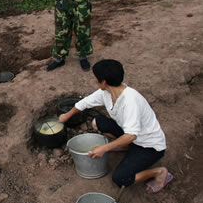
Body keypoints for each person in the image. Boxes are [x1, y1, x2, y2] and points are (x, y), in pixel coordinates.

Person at [59, 59, 172, 193]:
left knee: (120, 178)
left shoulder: (130, 101)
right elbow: (85, 102)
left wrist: (104, 148)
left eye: (96, 78)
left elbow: (131, 135)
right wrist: (67, 115)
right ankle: (125, 146)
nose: (95, 81)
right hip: (131, 136)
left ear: (104, 82)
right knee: (98, 122)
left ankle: (159, 173)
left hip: (148, 146)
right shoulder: (106, 92)